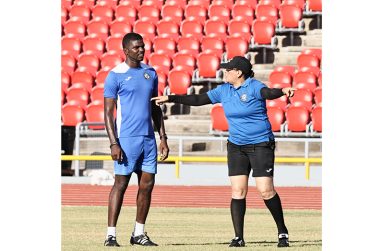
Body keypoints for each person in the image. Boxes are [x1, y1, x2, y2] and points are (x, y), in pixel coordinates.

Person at [152, 56, 295, 248]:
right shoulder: (224, 90)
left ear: (239, 72)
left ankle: (282, 231)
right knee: (238, 190)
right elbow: (198, 99)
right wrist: (171, 98)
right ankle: (238, 237)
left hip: (261, 144)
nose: (224, 72)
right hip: (236, 146)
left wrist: (282, 91)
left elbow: (268, 92)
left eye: (228, 70)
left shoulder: (253, 86)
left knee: (265, 190)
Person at [103, 32, 169, 247]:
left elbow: (155, 108)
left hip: (148, 139)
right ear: (126, 50)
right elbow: (108, 112)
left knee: (147, 185)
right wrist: (114, 142)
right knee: (120, 184)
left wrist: (163, 137)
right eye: (136, 47)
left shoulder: (151, 72)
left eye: (143, 46)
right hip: (126, 139)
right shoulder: (115, 75)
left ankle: (138, 233)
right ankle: (111, 235)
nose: (141, 50)